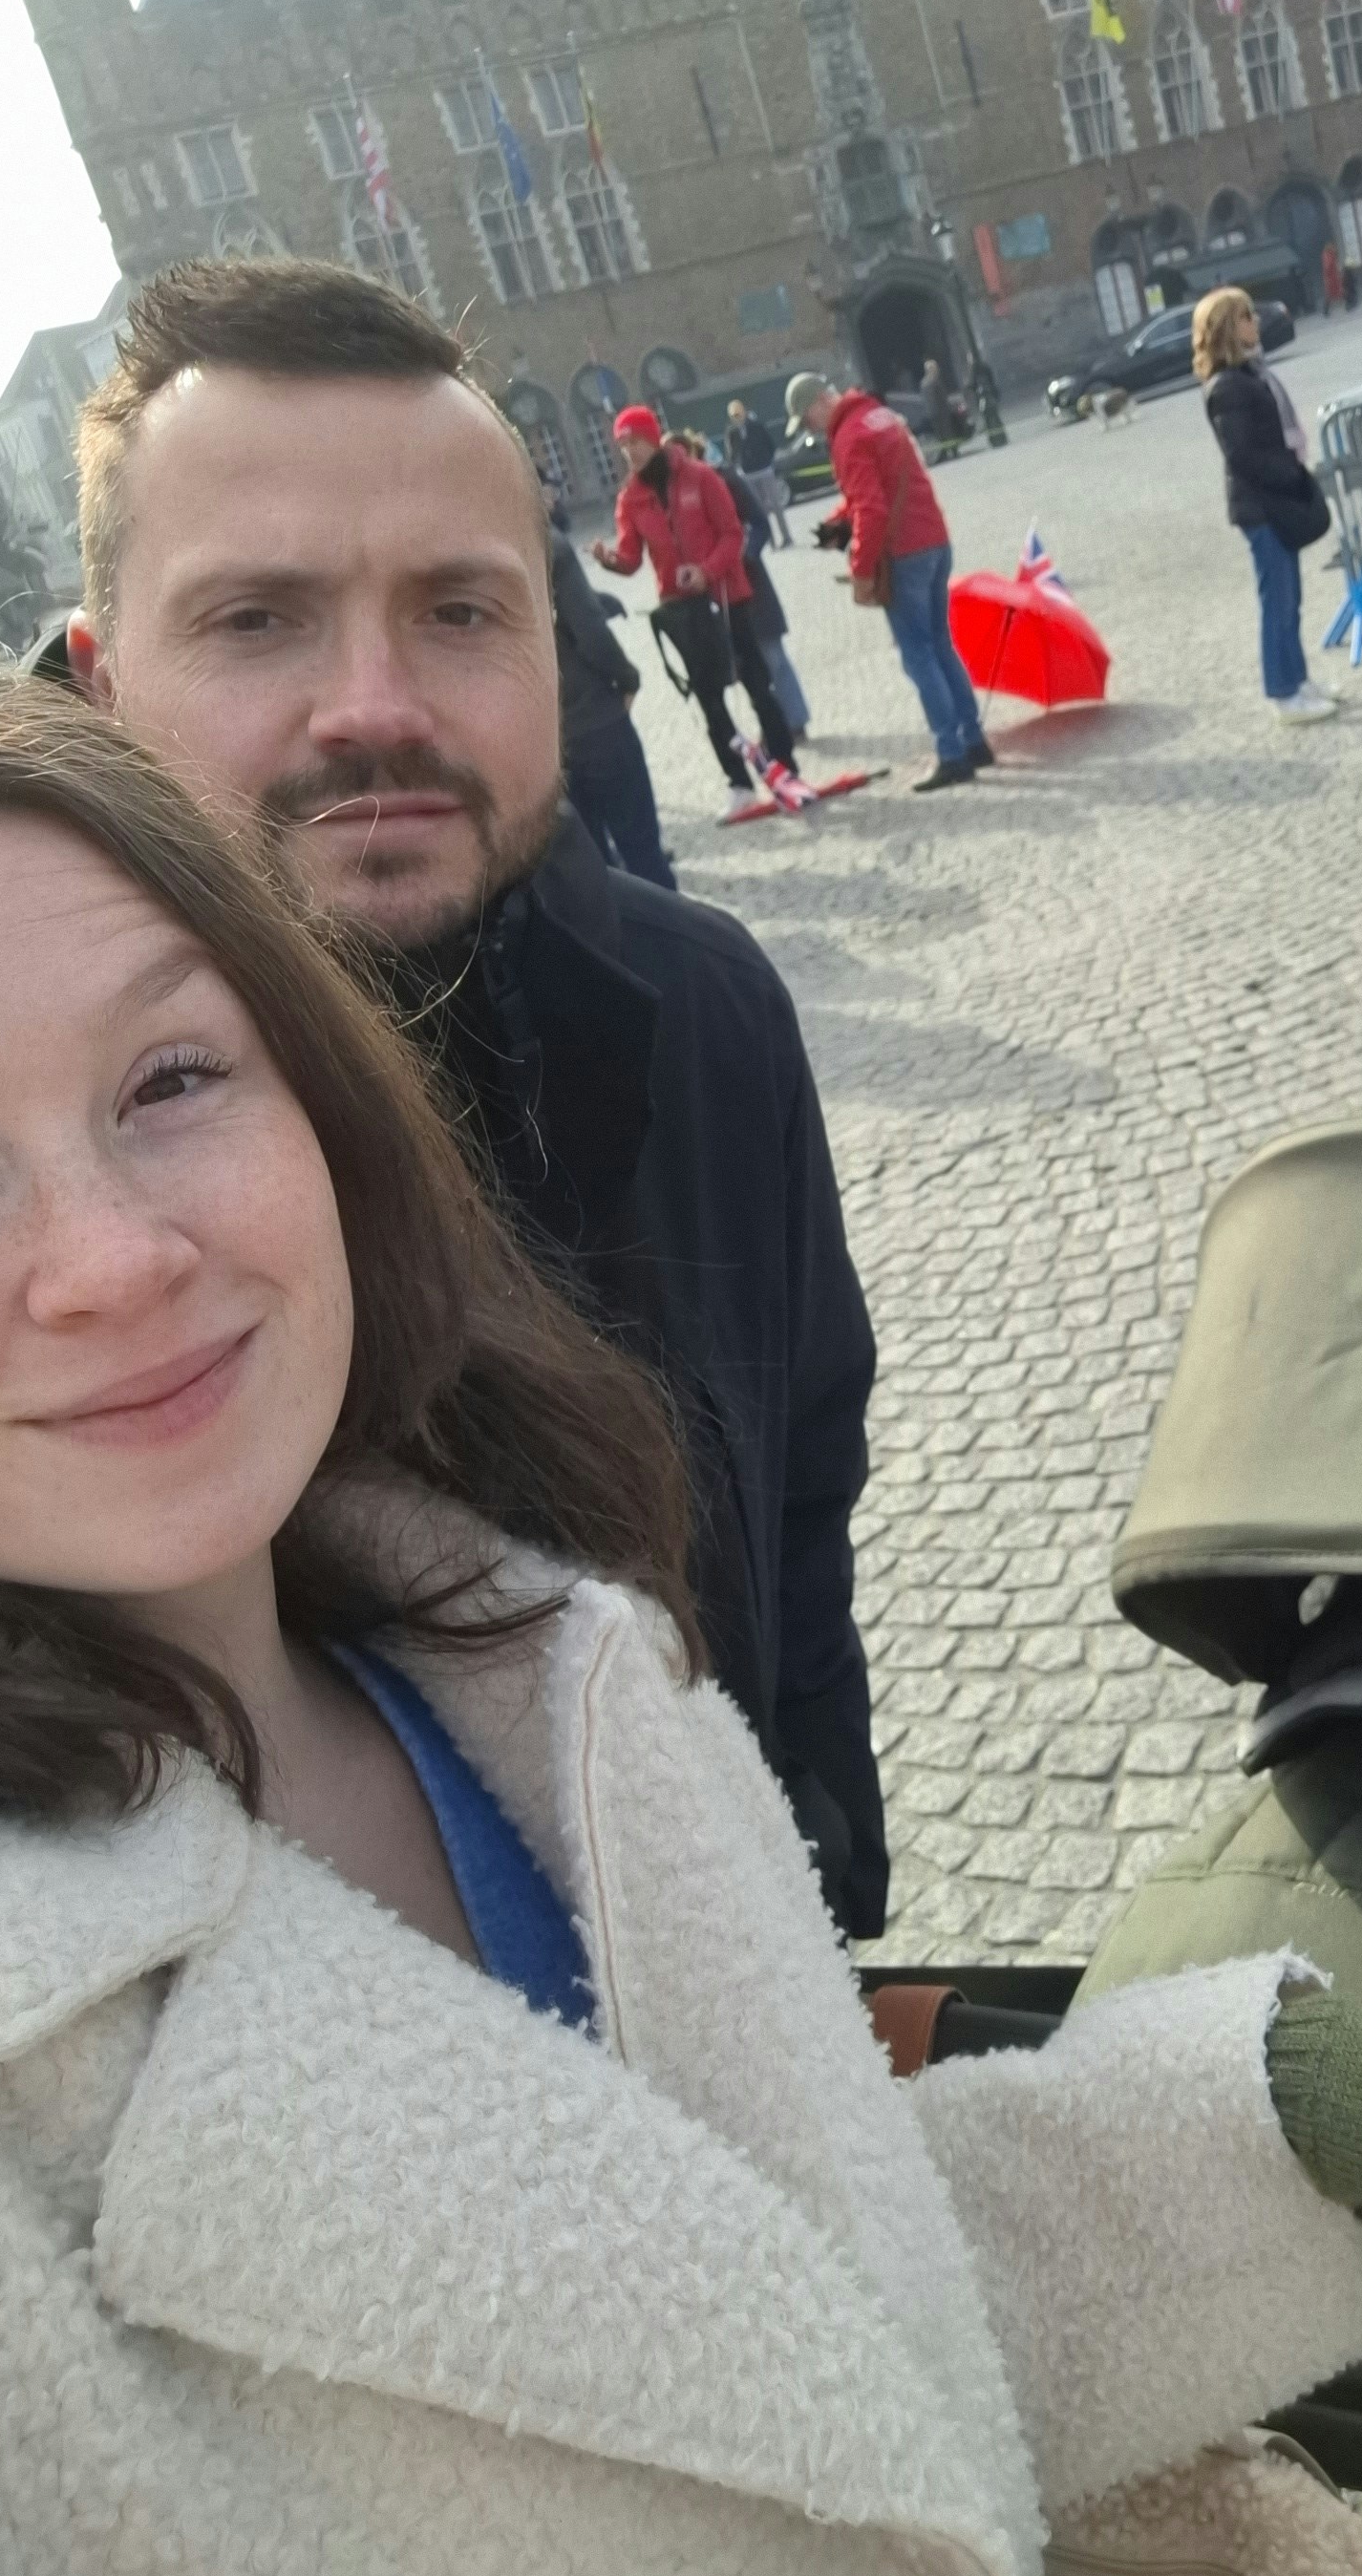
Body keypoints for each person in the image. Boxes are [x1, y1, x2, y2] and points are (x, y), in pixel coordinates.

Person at [0, 663, 1362, 2576]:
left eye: (170, 1080)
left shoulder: (517, 1676)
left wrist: (1267, 2140)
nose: (108, 1257)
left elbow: (764, 2352)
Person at [62, 258, 888, 1936]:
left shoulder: (705, 1010)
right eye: (257, 617)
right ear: (99, 685)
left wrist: (820, 1889)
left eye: (458, 609)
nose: (374, 704)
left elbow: (800, 1494)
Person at [784, 369, 990, 791]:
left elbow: (873, 510)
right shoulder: (880, 415)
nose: (810, 429)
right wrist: (839, 522)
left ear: (819, 404)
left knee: (919, 655)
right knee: (941, 645)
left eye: (807, 420)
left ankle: (951, 754)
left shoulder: (847, 437)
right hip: (934, 539)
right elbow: (882, 490)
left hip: (904, 553)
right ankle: (975, 740)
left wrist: (860, 569)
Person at [596, 405, 801, 821]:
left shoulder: (700, 477)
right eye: (621, 446)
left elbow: (731, 534)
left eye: (634, 441)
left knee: (758, 685)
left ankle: (785, 768)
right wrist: (609, 559)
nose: (629, 452)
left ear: (652, 439)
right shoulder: (631, 498)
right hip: (681, 610)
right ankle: (739, 782)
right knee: (710, 700)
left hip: (729, 597)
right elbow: (632, 558)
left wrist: (706, 570)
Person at [1194, 284, 1334, 725]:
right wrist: (1290, 475)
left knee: (1290, 598)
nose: (1255, 323)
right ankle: (1282, 692)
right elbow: (1242, 454)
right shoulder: (1228, 386)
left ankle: (1298, 678)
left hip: (1273, 499)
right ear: (1227, 330)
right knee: (1276, 601)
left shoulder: (1249, 374)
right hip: (1260, 505)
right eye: (1246, 317)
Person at [548, 495, 674, 890]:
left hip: (547, 742)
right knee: (642, 852)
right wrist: (628, 677)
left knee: (593, 870)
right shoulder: (547, 544)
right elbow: (589, 633)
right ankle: (670, 944)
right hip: (597, 722)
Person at [712, 440, 811, 740]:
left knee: (772, 655)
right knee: (746, 663)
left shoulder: (726, 480)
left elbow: (759, 523)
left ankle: (795, 720)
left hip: (751, 581)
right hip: (718, 592)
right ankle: (772, 724)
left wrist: (747, 553)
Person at [725, 393, 793, 547]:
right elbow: (731, 454)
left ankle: (786, 536)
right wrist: (738, 466)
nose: (737, 418)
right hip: (747, 474)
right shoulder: (732, 432)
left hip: (764, 470)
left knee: (776, 505)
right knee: (760, 509)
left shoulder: (756, 426)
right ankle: (772, 542)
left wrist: (766, 461)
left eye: (739, 413)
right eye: (734, 415)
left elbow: (770, 444)